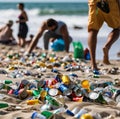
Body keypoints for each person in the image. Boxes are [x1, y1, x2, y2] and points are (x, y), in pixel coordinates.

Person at [88, 0, 120, 70]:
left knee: (93, 30)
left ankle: (93, 65)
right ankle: (107, 46)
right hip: (110, 2)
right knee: (117, 28)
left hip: (94, 2)